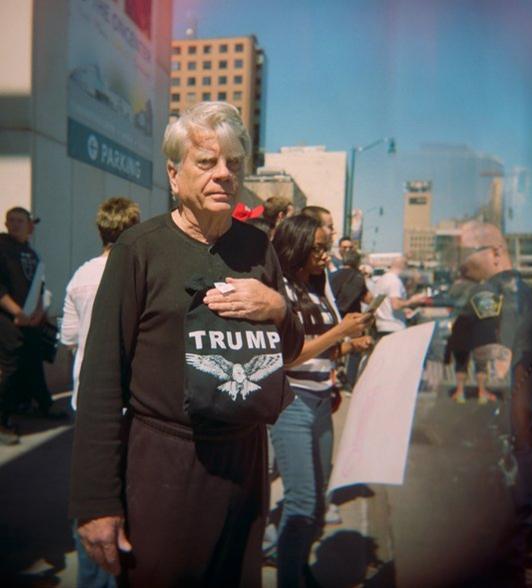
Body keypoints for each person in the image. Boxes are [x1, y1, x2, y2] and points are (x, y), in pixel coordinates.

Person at [69, 102, 305, 585]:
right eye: (207, 162)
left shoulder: (259, 248)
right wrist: (96, 502)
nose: (224, 174)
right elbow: (100, 382)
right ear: (174, 176)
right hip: (165, 467)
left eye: (233, 164)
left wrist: (279, 309)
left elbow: (292, 350)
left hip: (244, 465)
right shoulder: (140, 249)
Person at [270, 214, 372, 587]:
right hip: (291, 403)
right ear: (295, 246)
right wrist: (341, 331)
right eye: (316, 248)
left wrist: (349, 343)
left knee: (316, 504)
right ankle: (290, 578)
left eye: (325, 248)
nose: (324, 256)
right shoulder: (278, 288)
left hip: (319, 401)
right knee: (300, 503)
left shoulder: (317, 287)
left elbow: (320, 351)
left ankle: (298, 570)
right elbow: (287, 357)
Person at [457, 220, 532, 585]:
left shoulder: (492, 297)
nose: (461, 262)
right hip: (518, 447)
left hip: (497, 451)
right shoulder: (528, 296)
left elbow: (498, 375)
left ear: (495, 252)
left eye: (467, 253)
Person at [60, 197, 141, 588]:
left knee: (92, 496)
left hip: (86, 400)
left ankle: (94, 577)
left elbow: (70, 338)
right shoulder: (138, 273)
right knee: (130, 497)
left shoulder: (81, 276)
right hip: (131, 401)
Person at [0, 206, 61, 444]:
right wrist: (17, 312)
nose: (15, 225)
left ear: (30, 226)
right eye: (11, 221)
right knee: (11, 366)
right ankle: (2, 418)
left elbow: (40, 288)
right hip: (7, 319)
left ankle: (41, 405)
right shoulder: (2, 248)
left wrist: (37, 313)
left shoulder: (32, 254)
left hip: (30, 320)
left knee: (34, 361)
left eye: (20, 221)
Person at [371, 256, 424, 337]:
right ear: (404, 267)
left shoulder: (381, 279)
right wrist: (412, 301)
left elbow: (386, 303)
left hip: (382, 326)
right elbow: (395, 304)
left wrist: (404, 310)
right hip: (394, 327)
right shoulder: (395, 281)